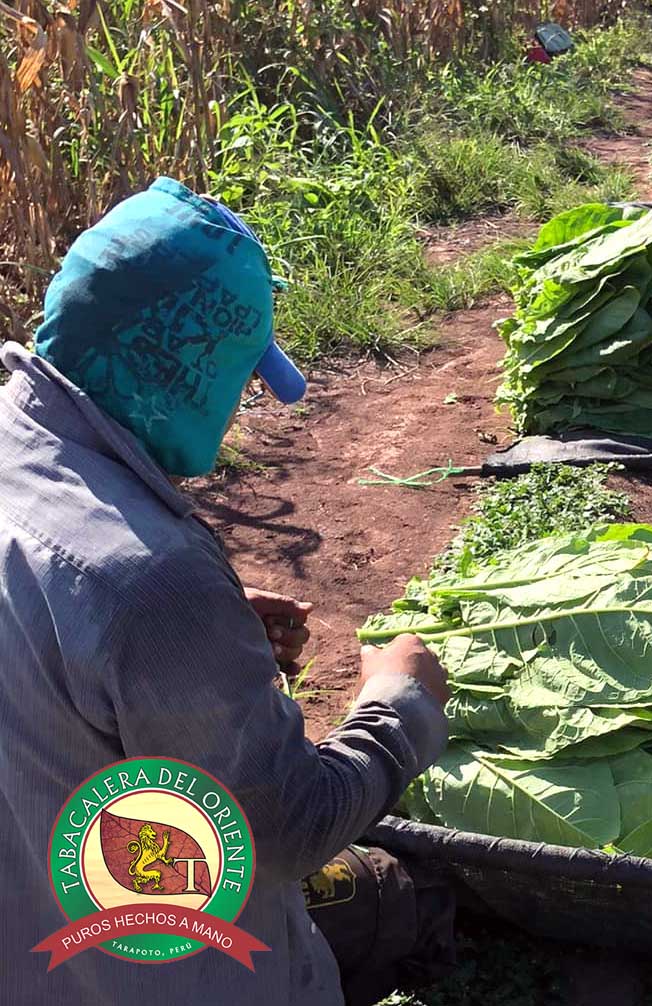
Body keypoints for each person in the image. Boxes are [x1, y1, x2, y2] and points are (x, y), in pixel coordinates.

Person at [0, 178, 453, 1005]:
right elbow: (286, 830)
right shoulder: (150, 578)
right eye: (242, 377)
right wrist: (401, 705)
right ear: (191, 364)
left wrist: (185, 643)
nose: (244, 403)